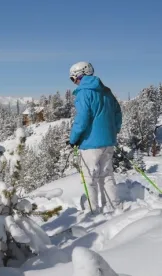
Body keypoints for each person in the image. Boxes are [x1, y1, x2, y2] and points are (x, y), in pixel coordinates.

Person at [68, 61, 123, 213]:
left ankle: (92, 212)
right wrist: (114, 130)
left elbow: (83, 117)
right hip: (108, 141)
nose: (74, 82)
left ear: (80, 75)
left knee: (89, 178)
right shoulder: (106, 91)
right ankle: (115, 208)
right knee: (107, 175)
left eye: (73, 79)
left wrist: (73, 138)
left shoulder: (84, 92)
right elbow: (117, 113)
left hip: (90, 143)